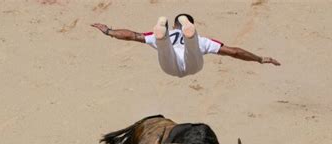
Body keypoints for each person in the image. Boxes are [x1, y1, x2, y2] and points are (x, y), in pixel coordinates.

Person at [91, 14, 281, 77]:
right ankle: (190, 36)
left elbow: (132, 35)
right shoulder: (204, 40)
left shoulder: (168, 32)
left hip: (168, 66)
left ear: (174, 26)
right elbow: (234, 52)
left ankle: (162, 33)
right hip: (193, 66)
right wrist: (260, 59)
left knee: (163, 46)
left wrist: (109, 31)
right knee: (193, 46)